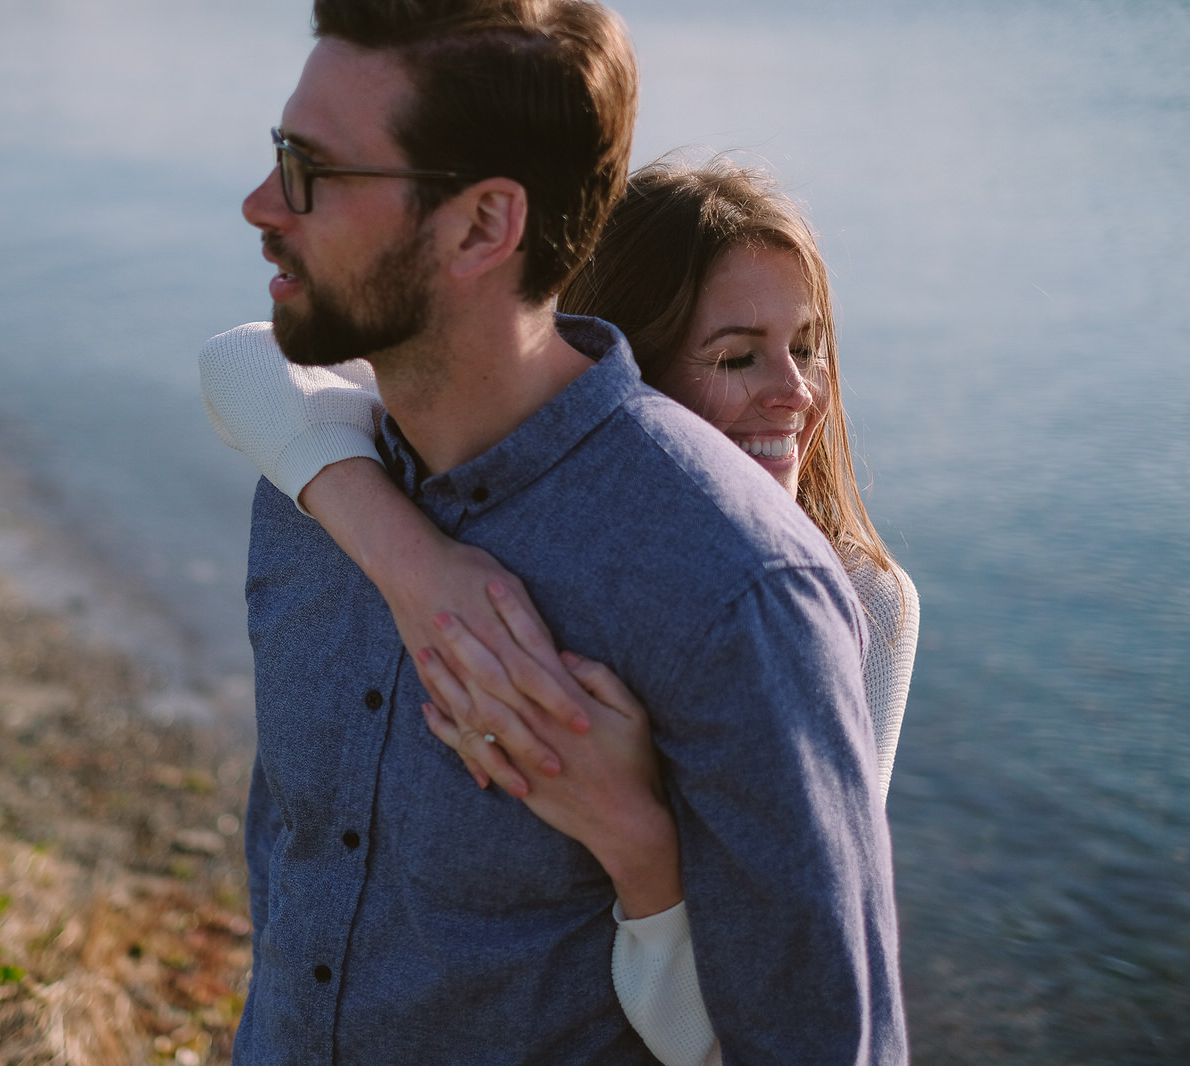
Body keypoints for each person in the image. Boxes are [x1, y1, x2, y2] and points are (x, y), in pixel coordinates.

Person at [215, 1, 905, 1062]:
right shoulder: (310, 492)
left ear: (485, 225)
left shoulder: (743, 592)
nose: (263, 205)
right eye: (277, 156)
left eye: (314, 171)